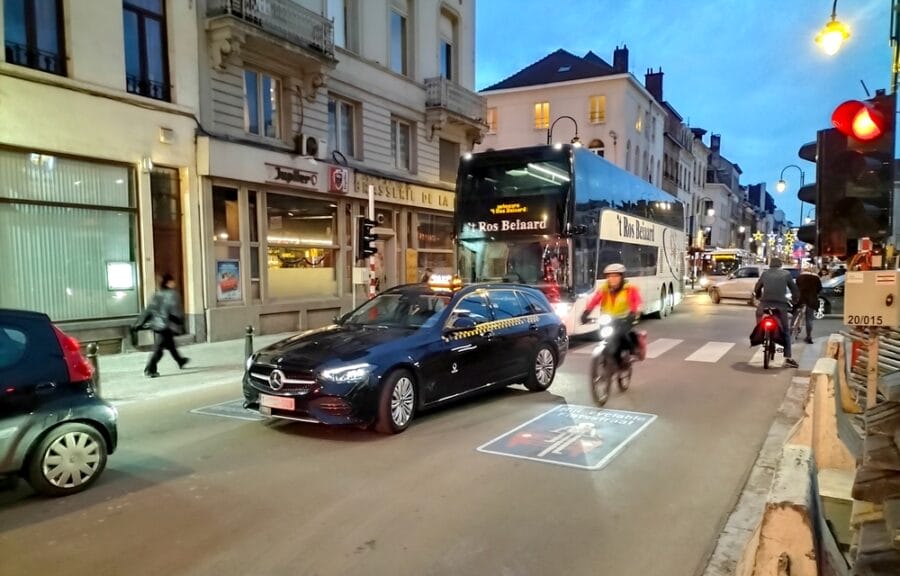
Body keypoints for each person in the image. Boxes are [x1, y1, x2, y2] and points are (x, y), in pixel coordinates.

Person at [580, 263, 642, 360]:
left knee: (622, 335)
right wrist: (586, 312)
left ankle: (632, 352)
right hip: (608, 319)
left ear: (622, 277)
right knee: (605, 335)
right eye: (609, 276)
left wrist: (633, 314)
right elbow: (594, 301)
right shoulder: (604, 289)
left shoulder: (630, 289)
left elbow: (636, 303)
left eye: (615, 276)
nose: (612, 279)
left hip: (624, 318)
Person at [132, 273, 189, 378]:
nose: (174, 283)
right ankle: (149, 369)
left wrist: (140, 323)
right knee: (159, 349)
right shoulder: (173, 295)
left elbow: (149, 310)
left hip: (158, 324)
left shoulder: (157, 294)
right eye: (172, 281)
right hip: (167, 325)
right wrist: (180, 322)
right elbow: (176, 311)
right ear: (168, 283)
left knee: (170, 345)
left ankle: (180, 360)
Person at [753, 258, 800, 368]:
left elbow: (757, 287)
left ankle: (760, 333)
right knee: (786, 331)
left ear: (770, 265)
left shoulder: (765, 274)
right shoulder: (786, 274)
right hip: (781, 305)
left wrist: (758, 296)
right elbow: (794, 290)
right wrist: (795, 300)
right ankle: (788, 358)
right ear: (780, 265)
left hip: (764, 304)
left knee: (759, 315)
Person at [796, 264, 823, 344]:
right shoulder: (816, 278)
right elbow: (819, 289)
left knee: (796, 315)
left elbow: (796, 287)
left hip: (801, 299)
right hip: (811, 300)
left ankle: (793, 330)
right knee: (809, 319)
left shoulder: (800, 277)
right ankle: (809, 336)